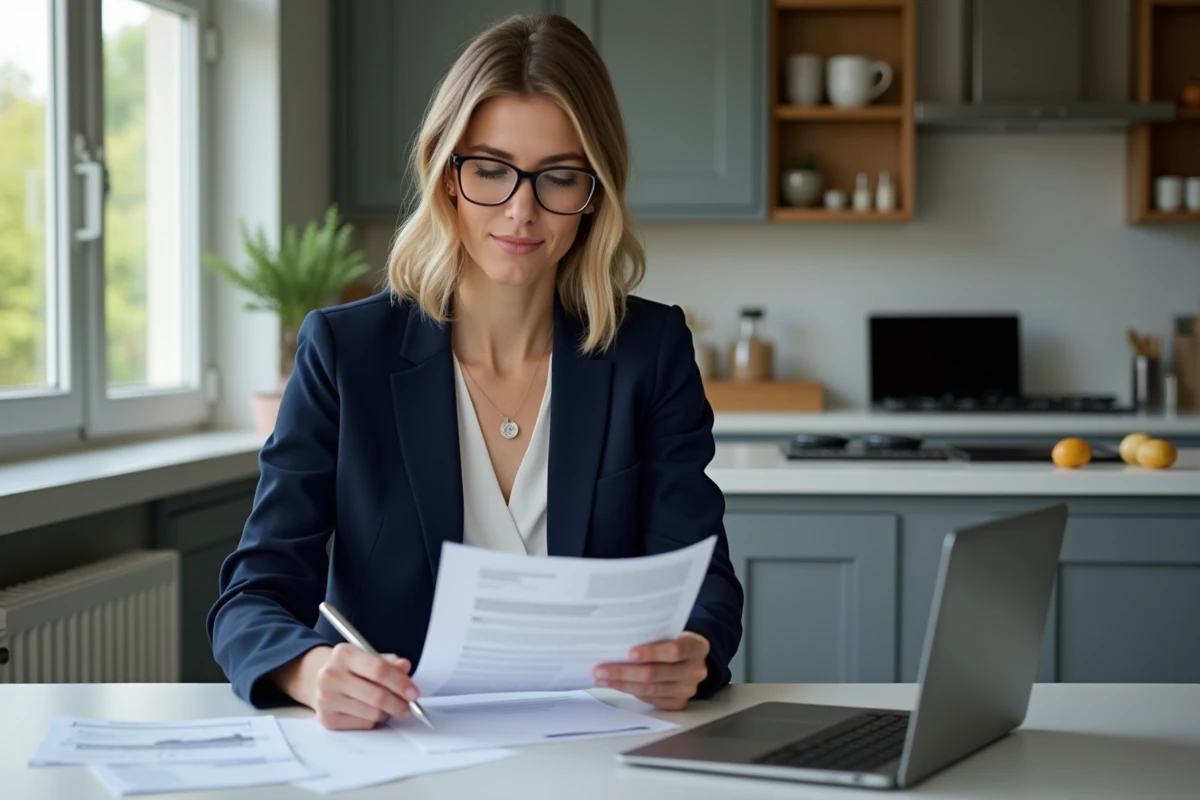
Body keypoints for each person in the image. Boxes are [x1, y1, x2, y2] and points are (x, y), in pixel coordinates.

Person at [207, 12, 744, 731]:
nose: (521, 211)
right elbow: (252, 594)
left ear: (594, 192)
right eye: (490, 169)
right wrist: (310, 671)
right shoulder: (345, 352)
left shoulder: (650, 349)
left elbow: (704, 580)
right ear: (446, 173)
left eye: (558, 176)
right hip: (403, 752)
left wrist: (694, 651)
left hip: (602, 751)